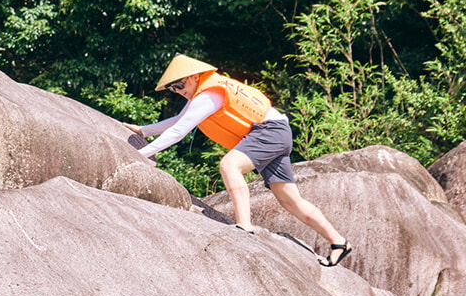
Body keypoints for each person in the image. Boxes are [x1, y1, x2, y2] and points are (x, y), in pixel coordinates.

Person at [123, 54, 353, 267]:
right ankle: (339, 242)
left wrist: (139, 155)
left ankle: (244, 226)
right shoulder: (206, 92)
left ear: (194, 77)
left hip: (269, 131)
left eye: (180, 84)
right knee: (290, 200)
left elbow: (179, 131)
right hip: (277, 131)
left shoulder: (209, 94)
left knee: (229, 165)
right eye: (173, 88)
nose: (177, 90)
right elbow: (178, 119)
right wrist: (143, 131)